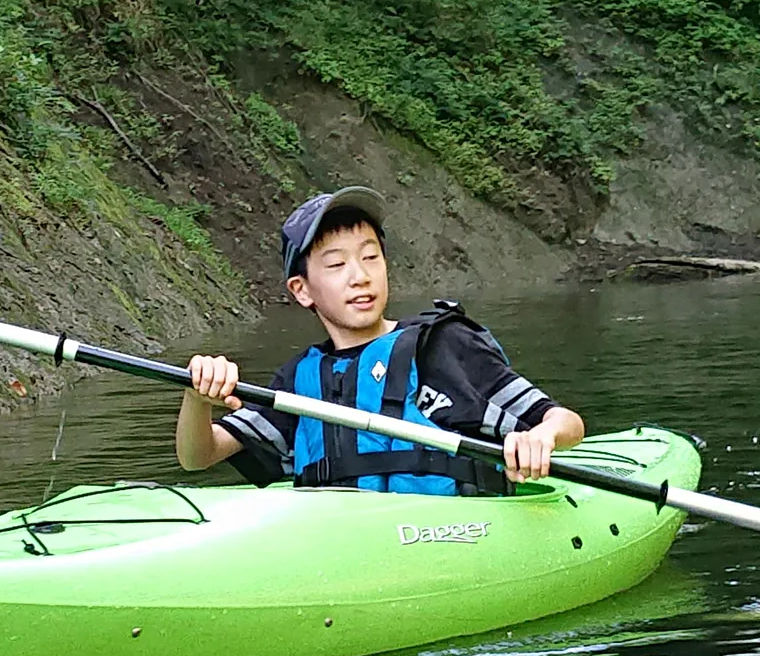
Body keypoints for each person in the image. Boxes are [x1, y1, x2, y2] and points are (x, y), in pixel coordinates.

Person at [175, 186, 584, 493]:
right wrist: (197, 396)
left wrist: (540, 438)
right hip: (346, 541)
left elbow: (565, 422)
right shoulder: (300, 381)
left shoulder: (442, 345)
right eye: (337, 264)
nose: (360, 276)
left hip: (451, 535)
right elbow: (198, 456)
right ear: (302, 290)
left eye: (370, 257)